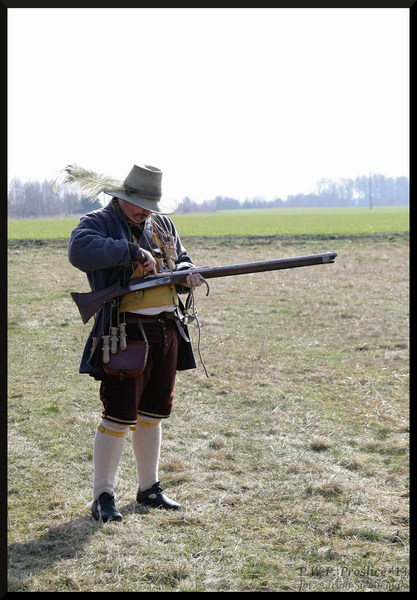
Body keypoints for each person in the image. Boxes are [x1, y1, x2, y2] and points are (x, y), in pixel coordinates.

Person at [66, 163, 204, 523]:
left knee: (152, 414)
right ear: (123, 198)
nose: (145, 212)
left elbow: (181, 258)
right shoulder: (98, 221)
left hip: (166, 328)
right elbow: (80, 250)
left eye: (149, 206)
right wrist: (131, 252)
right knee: (118, 415)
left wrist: (185, 273)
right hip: (125, 331)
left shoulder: (162, 224)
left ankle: (148, 488)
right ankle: (103, 496)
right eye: (140, 205)